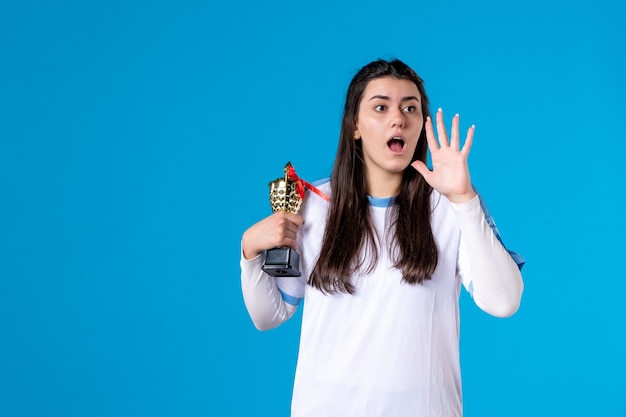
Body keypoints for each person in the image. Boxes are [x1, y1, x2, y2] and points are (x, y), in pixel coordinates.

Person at [240, 58, 525, 417]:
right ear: (355, 125)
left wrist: (464, 201)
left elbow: (504, 302)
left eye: (410, 107)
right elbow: (269, 315)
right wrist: (250, 251)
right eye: (380, 107)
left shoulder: (450, 205)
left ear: (420, 126)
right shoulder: (311, 205)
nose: (398, 118)